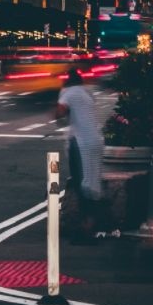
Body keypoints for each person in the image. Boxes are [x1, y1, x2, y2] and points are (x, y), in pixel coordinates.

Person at [56, 67, 104, 237]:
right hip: (96, 140)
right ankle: (93, 222)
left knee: (80, 182)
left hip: (81, 142)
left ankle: (87, 225)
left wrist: (59, 112)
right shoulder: (87, 92)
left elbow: (59, 113)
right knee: (92, 180)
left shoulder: (68, 92)